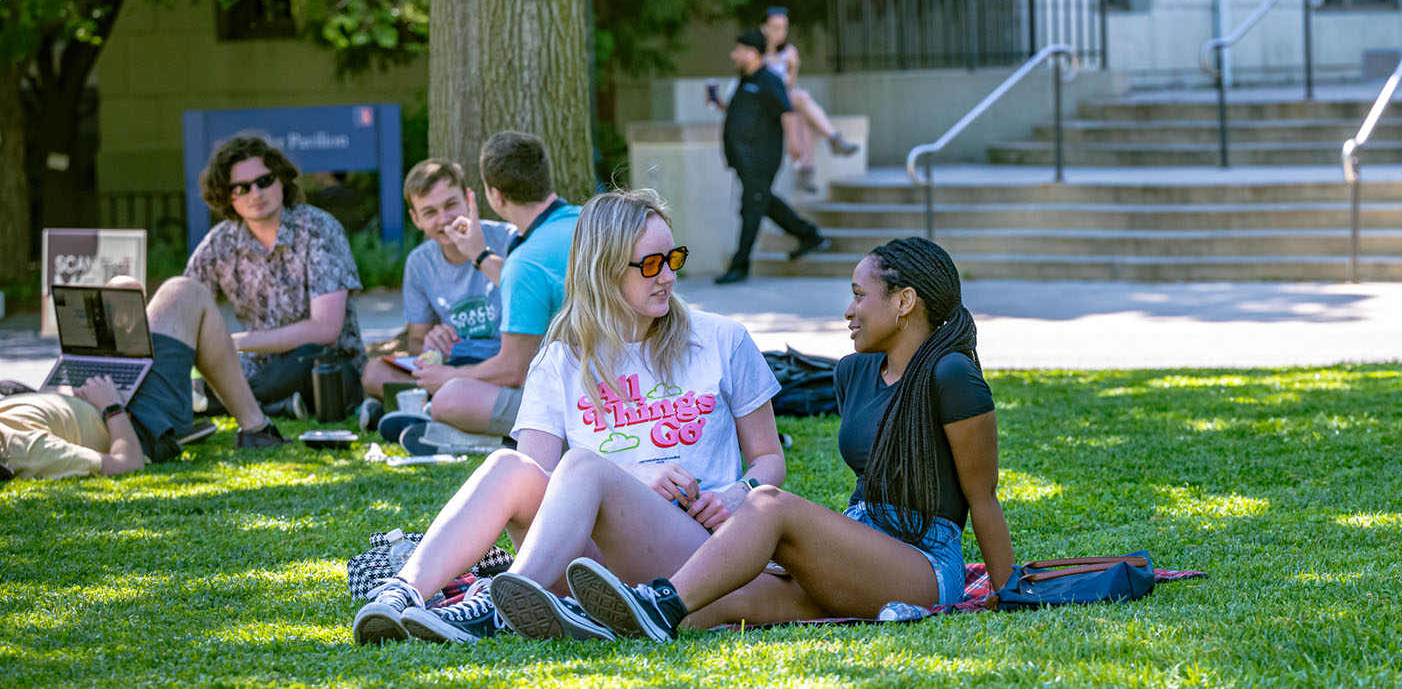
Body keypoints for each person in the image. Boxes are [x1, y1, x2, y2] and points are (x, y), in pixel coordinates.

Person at [485, 237, 1014, 641]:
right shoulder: (854, 374)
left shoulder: (952, 376)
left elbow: (982, 498)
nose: (848, 311)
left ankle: (659, 604)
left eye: (859, 296)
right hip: (859, 549)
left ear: (904, 302)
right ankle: (602, 615)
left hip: (922, 563)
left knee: (768, 506)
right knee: (720, 603)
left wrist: (1007, 593)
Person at [350, 189, 790, 644]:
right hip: (587, 565)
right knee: (508, 466)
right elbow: (534, 479)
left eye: (673, 258)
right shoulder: (560, 357)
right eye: (650, 264)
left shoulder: (723, 339)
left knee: (580, 465)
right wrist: (632, 476)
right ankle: (401, 593)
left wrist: (744, 491)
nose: (668, 276)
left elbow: (768, 458)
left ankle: (497, 606)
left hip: (695, 556)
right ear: (602, 269)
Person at [0, 277, 287, 480]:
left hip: (92, 393)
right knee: (186, 292)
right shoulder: (24, 451)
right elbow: (128, 463)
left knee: (122, 289)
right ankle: (256, 429)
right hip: (136, 422)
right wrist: (112, 406)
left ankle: (192, 401)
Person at [406, 132, 580, 440]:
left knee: (451, 396)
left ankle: (470, 437)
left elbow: (514, 369)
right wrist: (481, 255)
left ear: (495, 196)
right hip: (640, 388)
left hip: (587, 408)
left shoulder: (525, 260)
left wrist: (449, 376)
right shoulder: (592, 220)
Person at [185, 136, 365, 418]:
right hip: (260, 367)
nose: (255, 193)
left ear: (281, 180)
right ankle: (275, 406)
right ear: (228, 196)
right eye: (241, 188)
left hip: (324, 364)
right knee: (199, 376)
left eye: (264, 181)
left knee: (314, 361)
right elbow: (185, 303)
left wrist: (241, 342)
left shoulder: (319, 229)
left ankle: (226, 402)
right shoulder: (220, 242)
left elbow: (325, 330)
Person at [356, 159, 516, 423]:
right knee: (374, 373)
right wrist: (433, 341)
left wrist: (480, 255)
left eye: (451, 205)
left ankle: (418, 412)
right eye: (430, 212)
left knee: (480, 388)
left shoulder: (506, 239)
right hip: (454, 364)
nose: (444, 220)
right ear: (416, 219)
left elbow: (529, 297)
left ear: (468, 200)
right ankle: (437, 410)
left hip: (502, 364)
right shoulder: (420, 262)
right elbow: (417, 342)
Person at [713, 28, 832, 286]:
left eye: (738, 50)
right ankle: (810, 235)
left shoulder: (769, 80)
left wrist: (794, 143)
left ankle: (739, 265)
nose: (734, 55)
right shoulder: (745, 80)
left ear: (752, 53)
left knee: (752, 208)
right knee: (762, 202)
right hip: (743, 159)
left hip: (761, 158)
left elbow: (787, 112)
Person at [759, 7, 859, 193]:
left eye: (784, 28)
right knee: (801, 98)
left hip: (787, 102)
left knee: (801, 114)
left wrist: (793, 67)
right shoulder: (757, 53)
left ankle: (806, 169)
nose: (780, 32)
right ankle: (833, 138)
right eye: (775, 27)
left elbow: (790, 83)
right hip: (766, 104)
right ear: (764, 28)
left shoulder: (788, 52)